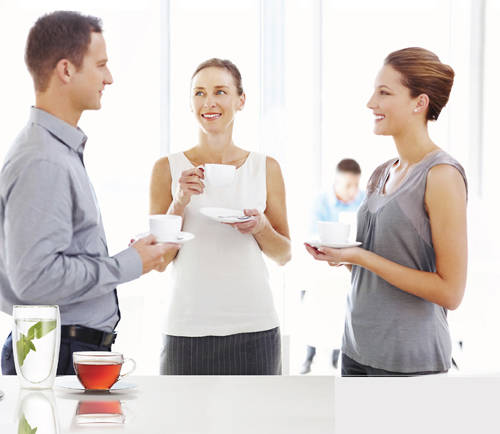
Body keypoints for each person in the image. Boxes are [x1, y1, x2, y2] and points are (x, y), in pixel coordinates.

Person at [0, 11, 176, 376]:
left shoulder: (54, 151)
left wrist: (137, 257)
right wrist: (130, 263)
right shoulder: (44, 161)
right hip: (58, 352)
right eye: (101, 65)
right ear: (66, 70)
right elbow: (35, 280)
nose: (109, 78)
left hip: (62, 348)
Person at [305, 47, 467, 376]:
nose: (370, 103)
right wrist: (346, 258)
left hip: (408, 359)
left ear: (418, 103)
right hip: (357, 348)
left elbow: (450, 292)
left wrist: (361, 258)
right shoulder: (381, 173)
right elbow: (386, 263)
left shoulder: (441, 175)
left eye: (384, 93)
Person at [150, 58, 291, 375]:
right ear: (190, 103)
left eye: (220, 91)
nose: (209, 102)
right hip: (186, 329)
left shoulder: (266, 168)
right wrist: (180, 201)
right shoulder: (166, 169)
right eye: (199, 93)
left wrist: (261, 227)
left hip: (255, 328)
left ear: (240, 100)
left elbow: (284, 254)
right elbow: (158, 261)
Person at [300, 158, 364, 374]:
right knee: (316, 307)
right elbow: (311, 235)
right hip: (322, 267)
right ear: (336, 182)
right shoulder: (320, 202)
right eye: (348, 185)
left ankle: (339, 355)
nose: (353, 191)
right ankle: (310, 355)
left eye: (356, 185)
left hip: (348, 267)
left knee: (345, 307)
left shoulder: (363, 201)